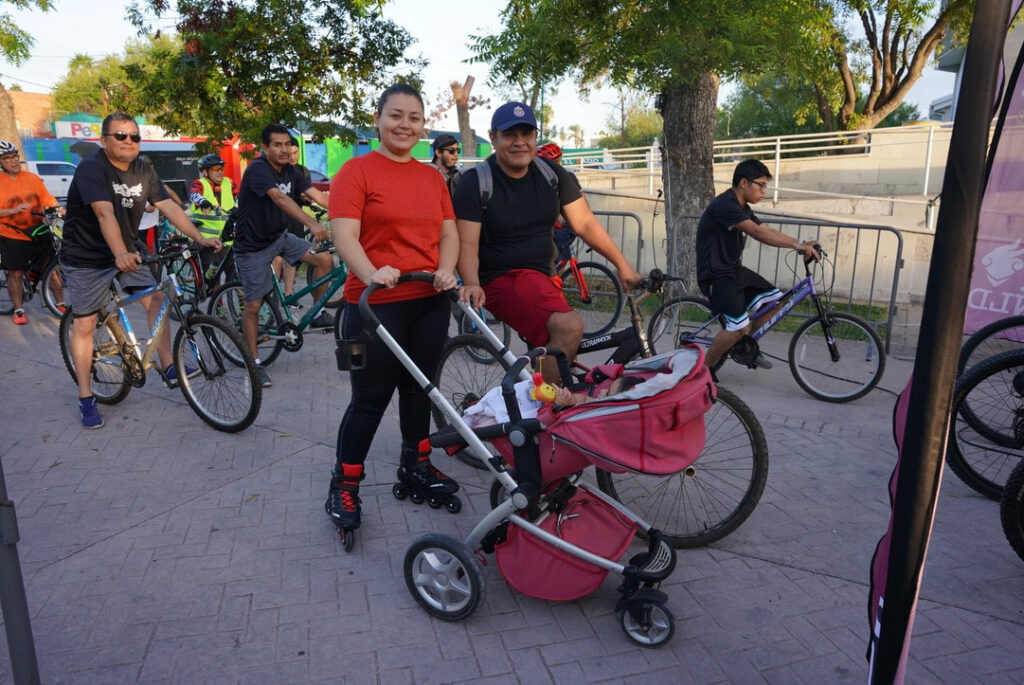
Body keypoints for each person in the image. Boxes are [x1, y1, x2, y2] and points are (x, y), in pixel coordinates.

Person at [326, 83, 460, 538]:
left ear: (423, 125)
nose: (405, 125)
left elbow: (448, 234)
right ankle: (344, 483)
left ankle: (417, 463)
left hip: (428, 301)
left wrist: (446, 269)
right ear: (378, 120)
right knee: (369, 399)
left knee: (422, 390)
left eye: (414, 117)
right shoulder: (356, 172)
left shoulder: (432, 178)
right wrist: (369, 271)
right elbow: (344, 235)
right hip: (374, 305)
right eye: (395, 115)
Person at [61, 112, 222, 429]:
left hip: (128, 251)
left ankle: (167, 365)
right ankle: (85, 396)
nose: (128, 141)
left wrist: (200, 237)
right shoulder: (92, 169)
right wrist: (118, 252)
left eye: (134, 136)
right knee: (84, 323)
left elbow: (169, 206)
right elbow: (104, 213)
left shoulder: (144, 170)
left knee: (158, 300)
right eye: (120, 135)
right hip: (87, 256)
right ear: (104, 140)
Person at [453, 101, 641, 363]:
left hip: (543, 277)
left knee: (559, 355)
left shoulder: (550, 173)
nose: (520, 142)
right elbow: (467, 244)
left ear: (535, 138)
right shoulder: (477, 182)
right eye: (509, 135)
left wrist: (623, 266)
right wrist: (472, 284)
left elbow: (584, 223)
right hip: (501, 278)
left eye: (526, 134)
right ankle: (552, 404)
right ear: (494, 138)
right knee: (569, 328)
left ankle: (535, 394)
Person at [232, 123, 333, 388]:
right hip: (252, 246)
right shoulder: (258, 169)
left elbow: (319, 197)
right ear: (264, 148)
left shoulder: (292, 171)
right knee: (253, 306)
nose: (284, 149)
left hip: (279, 238)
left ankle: (319, 311)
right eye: (277, 145)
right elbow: (278, 198)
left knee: (324, 260)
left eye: (288, 144)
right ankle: (253, 365)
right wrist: (311, 224)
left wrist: (356, 210)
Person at [696, 159, 820, 371]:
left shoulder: (740, 206)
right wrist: (795, 246)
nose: (764, 190)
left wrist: (800, 243)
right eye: (760, 185)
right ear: (744, 183)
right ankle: (702, 372)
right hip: (716, 276)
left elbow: (764, 228)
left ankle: (745, 347)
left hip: (734, 271)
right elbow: (757, 232)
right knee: (738, 327)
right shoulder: (725, 204)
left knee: (774, 302)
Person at [0, 140, 64, 324]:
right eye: (7, 158)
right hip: (12, 234)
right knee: (16, 273)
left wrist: (58, 208)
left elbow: (47, 198)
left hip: (39, 229)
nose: (12, 161)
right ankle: (19, 309)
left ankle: (59, 303)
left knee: (53, 269)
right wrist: (12, 210)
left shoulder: (32, 178)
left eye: (14, 156)